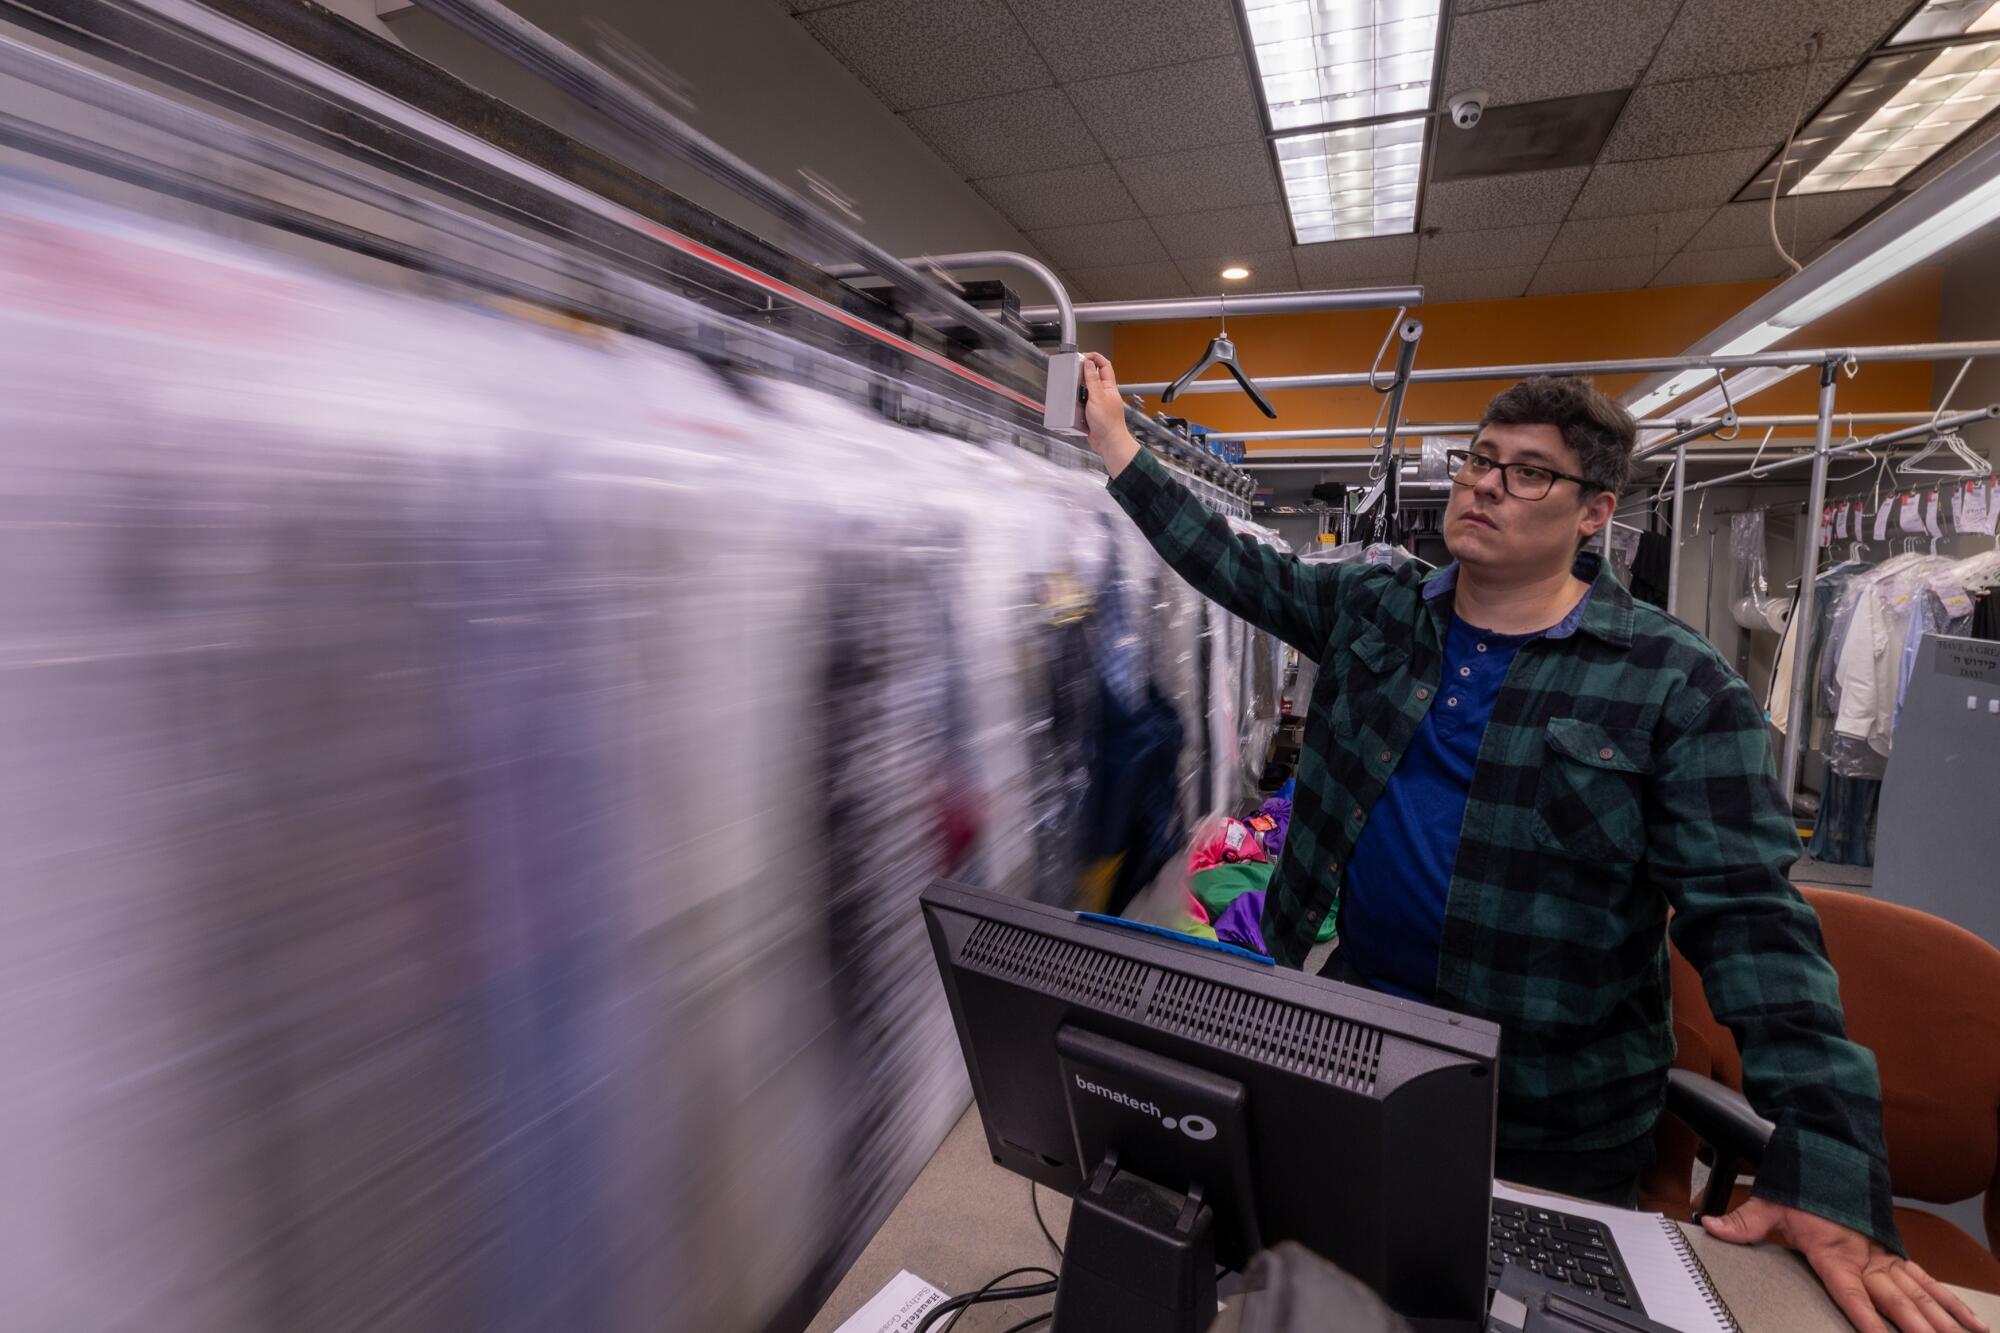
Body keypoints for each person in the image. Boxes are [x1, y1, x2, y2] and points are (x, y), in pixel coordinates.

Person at [1080, 353, 1985, 1333]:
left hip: (1547, 1109)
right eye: (1478, 459)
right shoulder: (1374, 614)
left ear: (1591, 511)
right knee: (1317, 1295)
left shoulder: (1670, 686)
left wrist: (1826, 1166)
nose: (1484, 483)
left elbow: (1755, 927)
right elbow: (1230, 562)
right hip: (1353, 1051)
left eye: (1526, 471)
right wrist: (1118, 445)